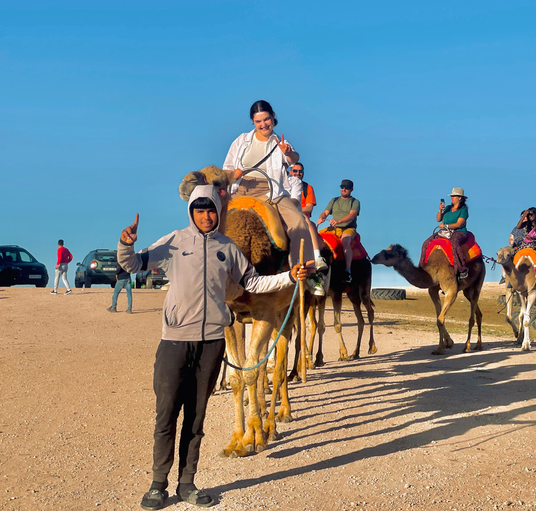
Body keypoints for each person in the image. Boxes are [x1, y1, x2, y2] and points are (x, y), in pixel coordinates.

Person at [118, 185, 307, 511]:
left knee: (196, 417)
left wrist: (288, 276)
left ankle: (187, 483)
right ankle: (157, 485)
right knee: (166, 414)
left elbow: (254, 283)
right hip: (175, 339)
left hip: (210, 342)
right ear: (191, 211)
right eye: (200, 209)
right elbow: (134, 265)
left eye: (210, 210)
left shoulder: (228, 247)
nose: (206, 216)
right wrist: (126, 244)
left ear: (216, 212)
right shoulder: (174, 242)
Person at [222, 100, 326, 293]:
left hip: (271, 191)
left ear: (273, 117)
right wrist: (233, 174)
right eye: (258, 121)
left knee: (299, 223)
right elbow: (226, 168)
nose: (263, 125)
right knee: (209, 218)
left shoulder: (281, 143)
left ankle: (309, 272)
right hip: (240, 190)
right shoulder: (242, 140)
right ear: (253, 122)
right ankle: (208, 270)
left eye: (266, 119)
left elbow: (293, 158)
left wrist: (289, 153)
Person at [419, 187, 470, 280]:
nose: (452, 198)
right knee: (426, 243)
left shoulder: (463, 210)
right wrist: (440, 210)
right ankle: (421, 268)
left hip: (459, 232)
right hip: (445, 232)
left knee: (454, 244)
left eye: (454, 196)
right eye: (451, 196)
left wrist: (446, 225)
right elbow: (438, 219)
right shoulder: (448, 208)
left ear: (460, 198)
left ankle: (462, 269)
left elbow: (459, 224)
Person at [317, 179, 360, 283]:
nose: (344, 189)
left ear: (351, 189)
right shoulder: (334, 200)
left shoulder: (355, 202)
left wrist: (339, 221)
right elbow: (325, 212)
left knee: (345, 241)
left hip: (348, 228)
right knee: (316, 237)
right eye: (342, 187)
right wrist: (321, 217)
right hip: (334, 228)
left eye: (347, 188)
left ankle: (347, 271)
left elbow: (352, 215)